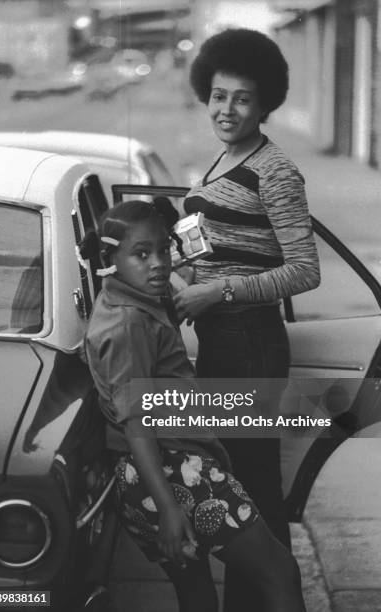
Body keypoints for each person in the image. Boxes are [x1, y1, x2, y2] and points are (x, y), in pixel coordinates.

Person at [79, 198, 307, 612]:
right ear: (110, 259)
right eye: (142, 254)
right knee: (280, 572)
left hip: (148, 478)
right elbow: (138, 423)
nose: (158, 264)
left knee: (197, 594)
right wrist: (168, 508)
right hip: (174, 472)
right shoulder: (131, 324)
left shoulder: (123, 301)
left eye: (164, 250)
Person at [173, 28, 320, 611]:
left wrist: (217, 295)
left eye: (241, 98)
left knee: (252, 498)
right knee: (238, 497)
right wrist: (177, 271)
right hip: (223, 343)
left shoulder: (275, 171)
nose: (226, 109)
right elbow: (227, 248)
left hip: (250, 345)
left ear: (265, 104)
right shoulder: (224, 155)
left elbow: (304, 272)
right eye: (217, 95)